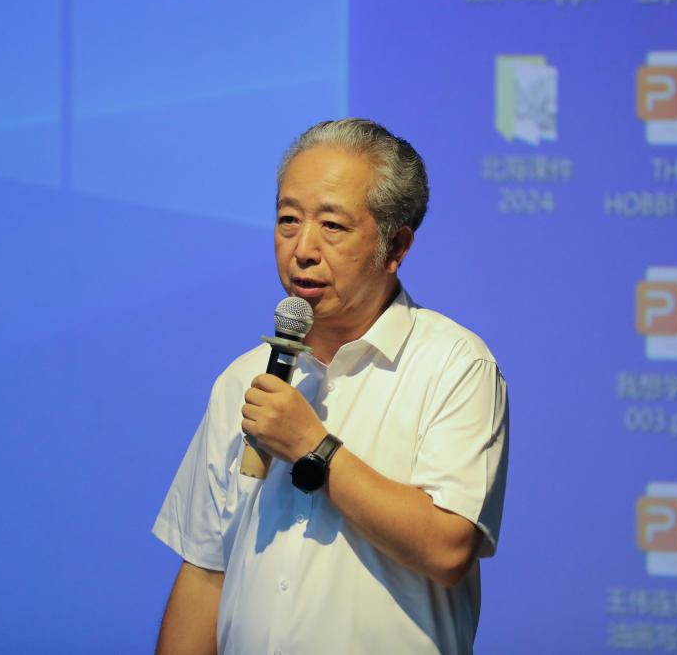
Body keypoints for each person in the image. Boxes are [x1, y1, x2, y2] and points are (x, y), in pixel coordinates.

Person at [152, 118, 509, 655]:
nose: (303, 249)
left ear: (396, 245)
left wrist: (313, 448)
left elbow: (449, 548)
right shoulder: (243, 379)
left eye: (333, 226)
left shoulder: (455, 365)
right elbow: (205, 572)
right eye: (288, 220)